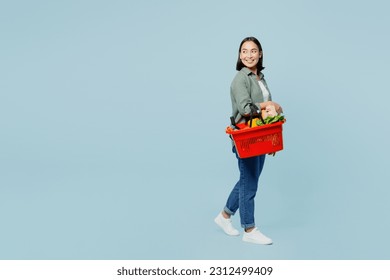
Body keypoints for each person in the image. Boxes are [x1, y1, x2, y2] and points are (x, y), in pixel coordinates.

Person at [214, 36, 283, 245]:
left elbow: (267, 113)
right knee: (249, 182)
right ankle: (249, 229)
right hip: (246, 137)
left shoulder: (260, 77)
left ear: (260, 54)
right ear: (239, 55)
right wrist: (270, 103)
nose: (248, 55)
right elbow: (246, 109)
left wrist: (272, 138)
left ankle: (224, 216)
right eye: (244, 51)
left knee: (248, 180)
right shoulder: (240, 79)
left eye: (253, 51)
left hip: (260, 136)